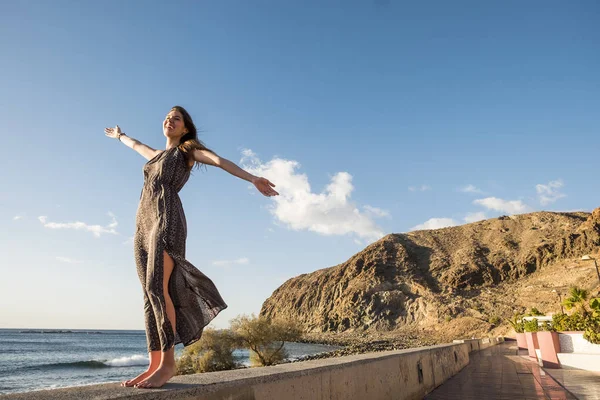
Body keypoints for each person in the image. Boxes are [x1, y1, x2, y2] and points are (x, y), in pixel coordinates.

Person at [104, 106, 278, 389]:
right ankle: (154, 363)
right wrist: (121, 136)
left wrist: (252, 178)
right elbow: (136, 145)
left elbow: (219, 160)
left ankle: (168, 364)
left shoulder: (186, 150)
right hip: (142, 224)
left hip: (166, 218)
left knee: (158, 288)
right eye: (167, 117)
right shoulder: (156, 156)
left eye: (176, 118)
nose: (169, 120)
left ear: (185, 128)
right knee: (150, 294)